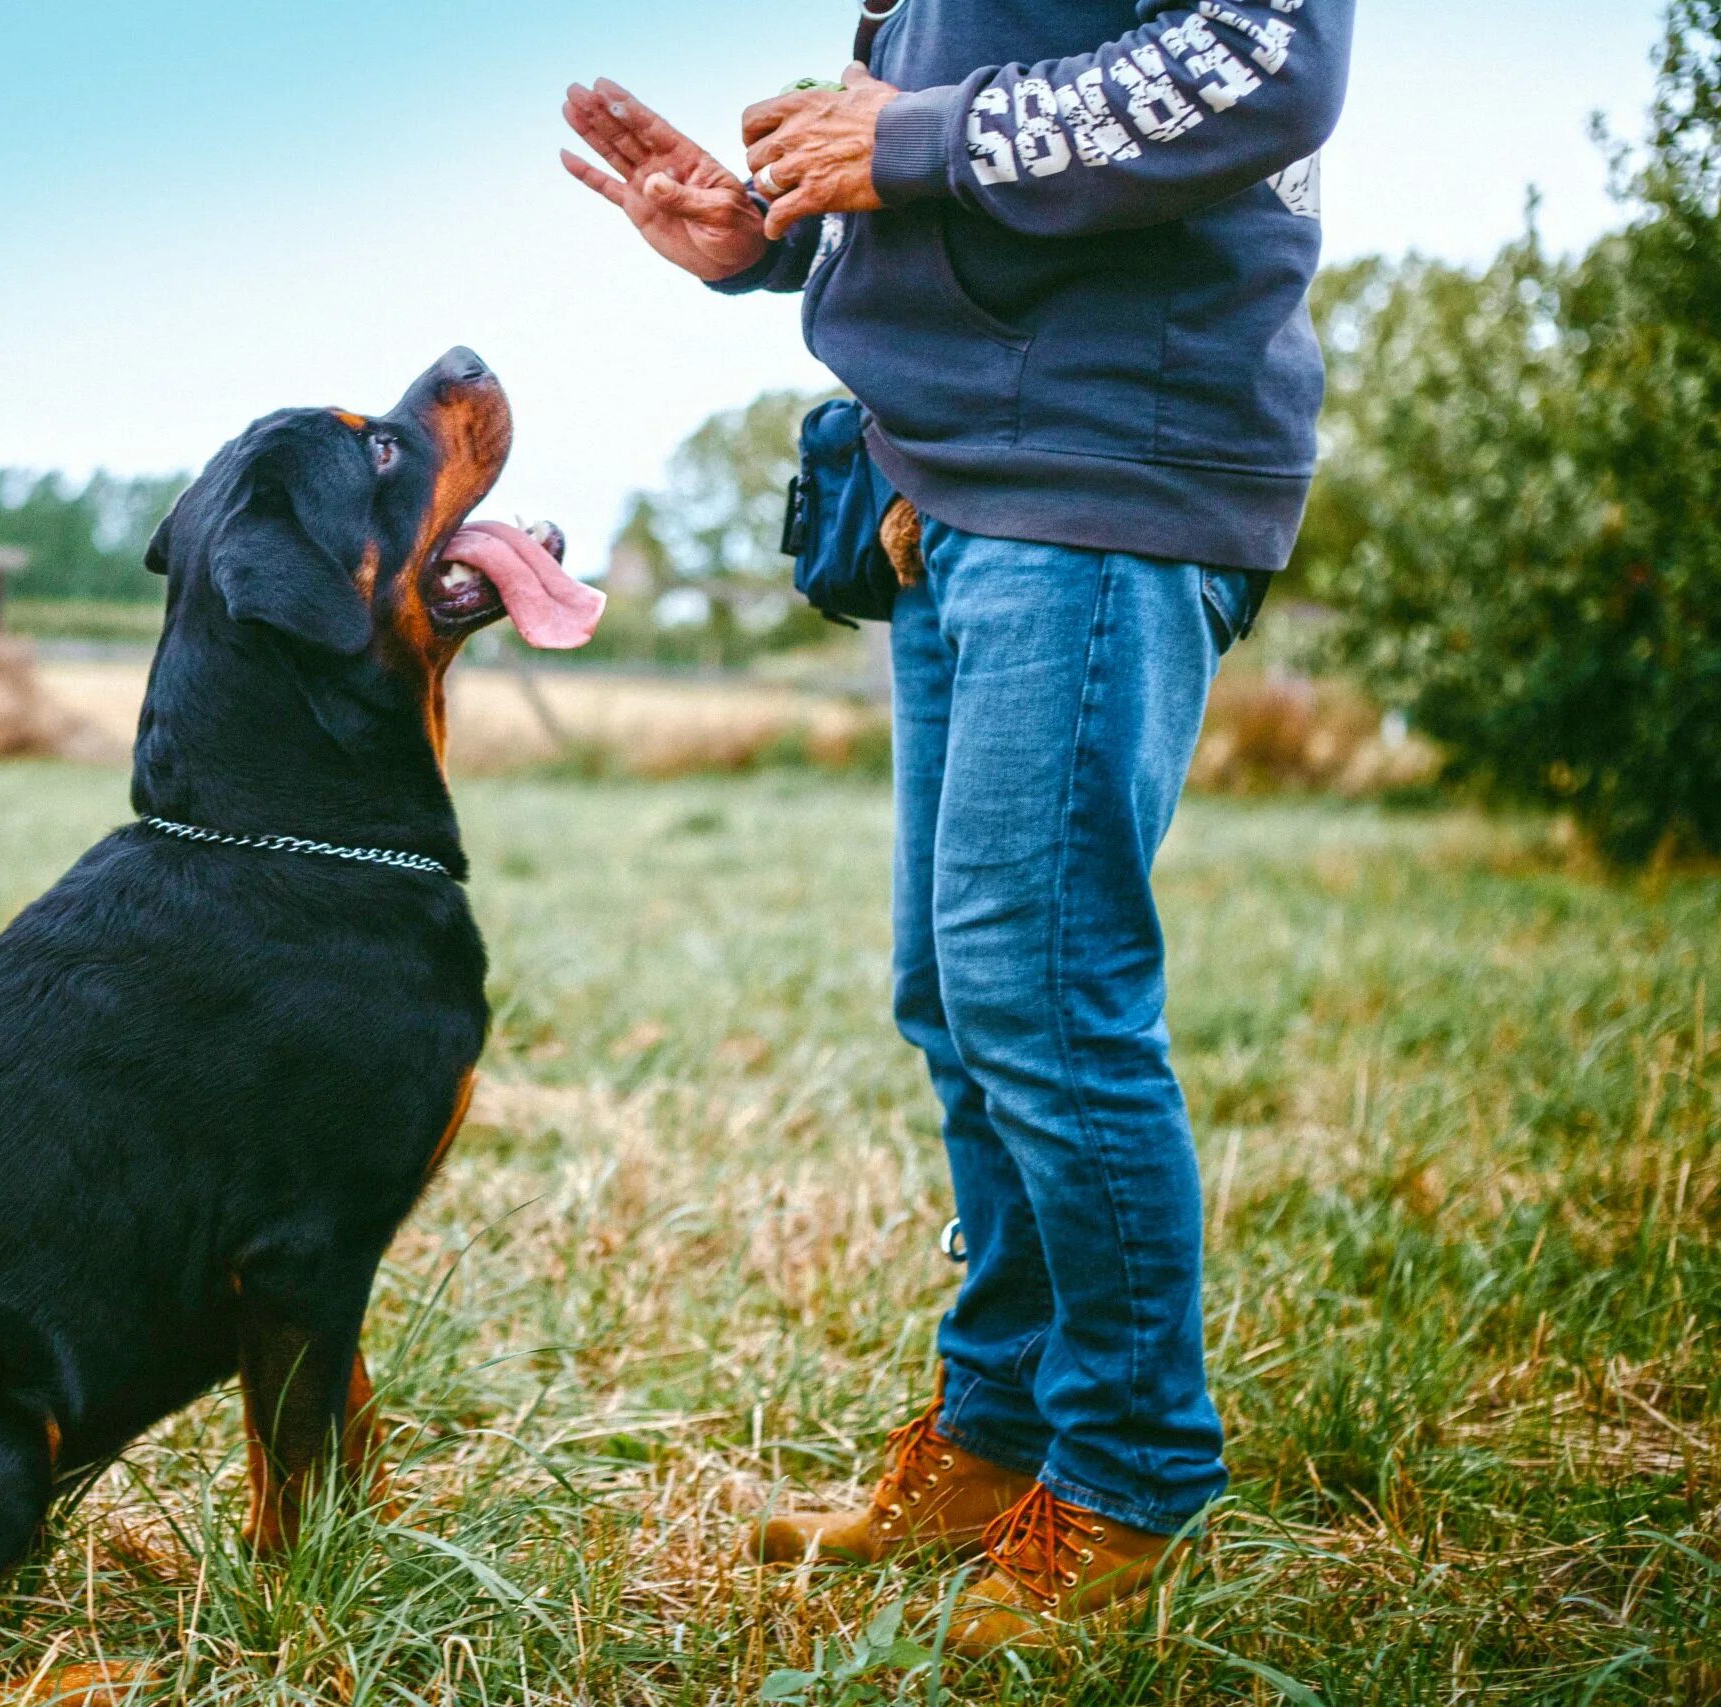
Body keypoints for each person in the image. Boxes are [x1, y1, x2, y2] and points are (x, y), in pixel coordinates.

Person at [561, 0, 1353, 1655]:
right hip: (956, 475)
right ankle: (997, 1435)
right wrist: (778, 234)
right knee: (960, 993)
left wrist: (905, 138)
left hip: (1101, 472)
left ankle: (1134, 1474)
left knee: (1042, 995)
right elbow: (990, 155)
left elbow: (1263, 62)